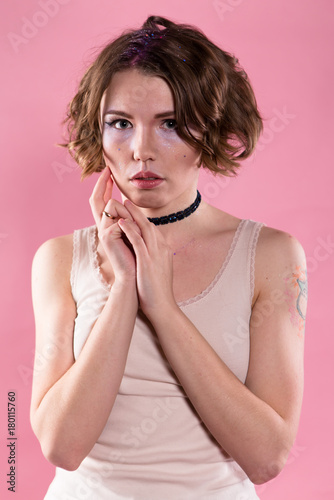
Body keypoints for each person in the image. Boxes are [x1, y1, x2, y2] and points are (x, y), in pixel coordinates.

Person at [30, 15, 307, 500]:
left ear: (213, 130)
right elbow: (61, 446)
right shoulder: (59, 259)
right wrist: (123, 291)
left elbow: (267, 458)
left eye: (172, 124)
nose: (141, 150)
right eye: (120, 123)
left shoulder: (269, 256)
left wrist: (161, 305)